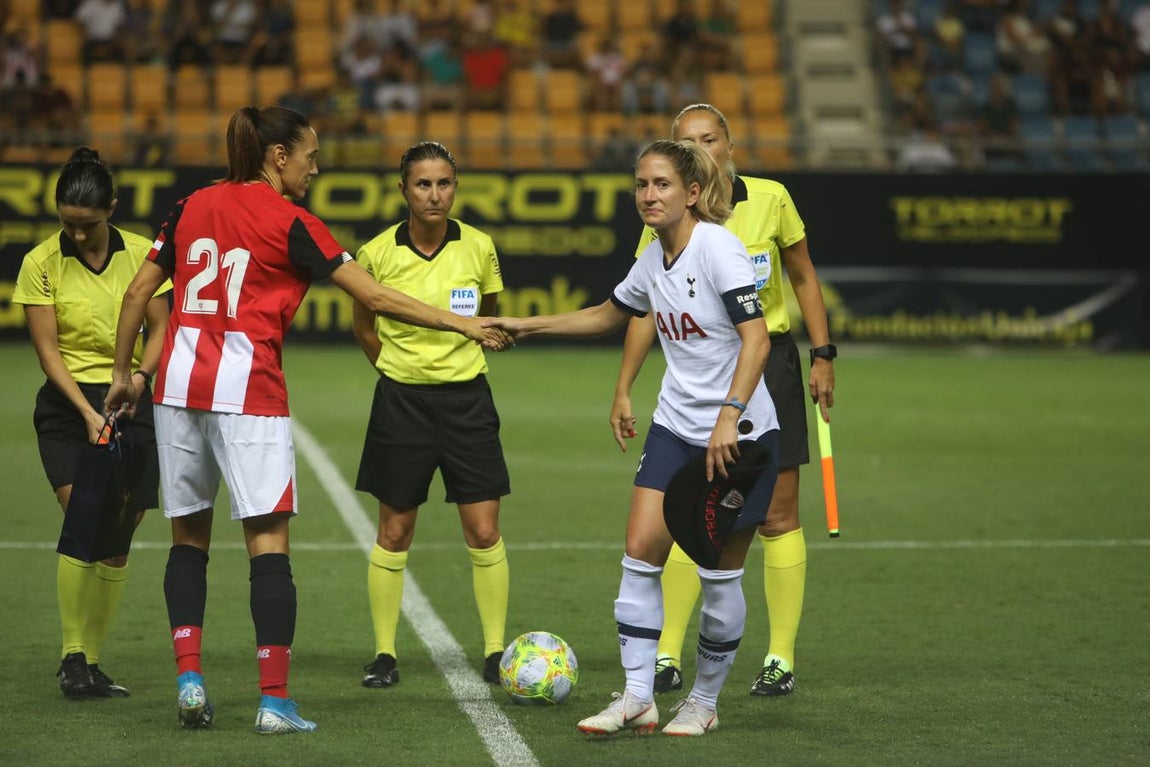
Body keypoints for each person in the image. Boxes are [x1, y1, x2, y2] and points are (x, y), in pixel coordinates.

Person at [103, 106, 508, 735]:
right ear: (278, 157)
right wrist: (462, 322)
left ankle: (189, 679)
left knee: (188, 541)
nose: (317, 169)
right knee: (267, 545)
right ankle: (273, 700)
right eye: (311, 157)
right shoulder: (295, 222)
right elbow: (372, 297)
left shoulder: (192, 205)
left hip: (178, 388)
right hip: (249, 392)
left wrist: (125, 375)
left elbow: (135, 295)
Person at [488, 139, 779, 737]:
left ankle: (702, 701)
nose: (649, 194)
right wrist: (524, 323)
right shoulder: (652, 257)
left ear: (692, 193)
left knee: (719, 575)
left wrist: (729, 413)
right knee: (639, 554)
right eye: (642, 184)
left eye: (662, 184)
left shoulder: (719, 249)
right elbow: (605, 314)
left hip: (740, 436)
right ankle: (638, 697)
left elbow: (758, 339)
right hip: (675, 426)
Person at [611, 104, 835, 699]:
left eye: (710, 139)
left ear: (730, 144)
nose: (702, 151)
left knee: (777, 515)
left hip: (769, 365)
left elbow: (803, 275)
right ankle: (665, 654)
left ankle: (780, 655)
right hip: (698, 379)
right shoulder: (665, 216)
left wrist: (824, 352)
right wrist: (624, 385)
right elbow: (643, 303)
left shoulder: (771, 198)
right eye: (688, 143)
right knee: (687, 513)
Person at [13, 147, 171, 699]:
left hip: (129, 396)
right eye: (67, 225)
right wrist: (85, 412)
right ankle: (72, 657)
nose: (77, 236)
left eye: (88, 225)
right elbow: (47, 349)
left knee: (118, 537)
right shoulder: (40, 262)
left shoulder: (142, 256)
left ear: (112, 208)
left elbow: (160, 326)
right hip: (67, 403)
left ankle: (94, 662)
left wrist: (140, 381)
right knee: (83, 513)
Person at [352, 141, 511, 690]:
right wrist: (397, 369)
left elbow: (487, 316)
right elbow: (365, 327)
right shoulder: (375, 253)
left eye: (444, 183)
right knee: (394, 532)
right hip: (401, 403)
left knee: (483, 529)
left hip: (468, 401)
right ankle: (384, 654)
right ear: (402, 190)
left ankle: (494, 651)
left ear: (455, 187)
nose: (435, 194)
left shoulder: (481, 247)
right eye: (423, 184)